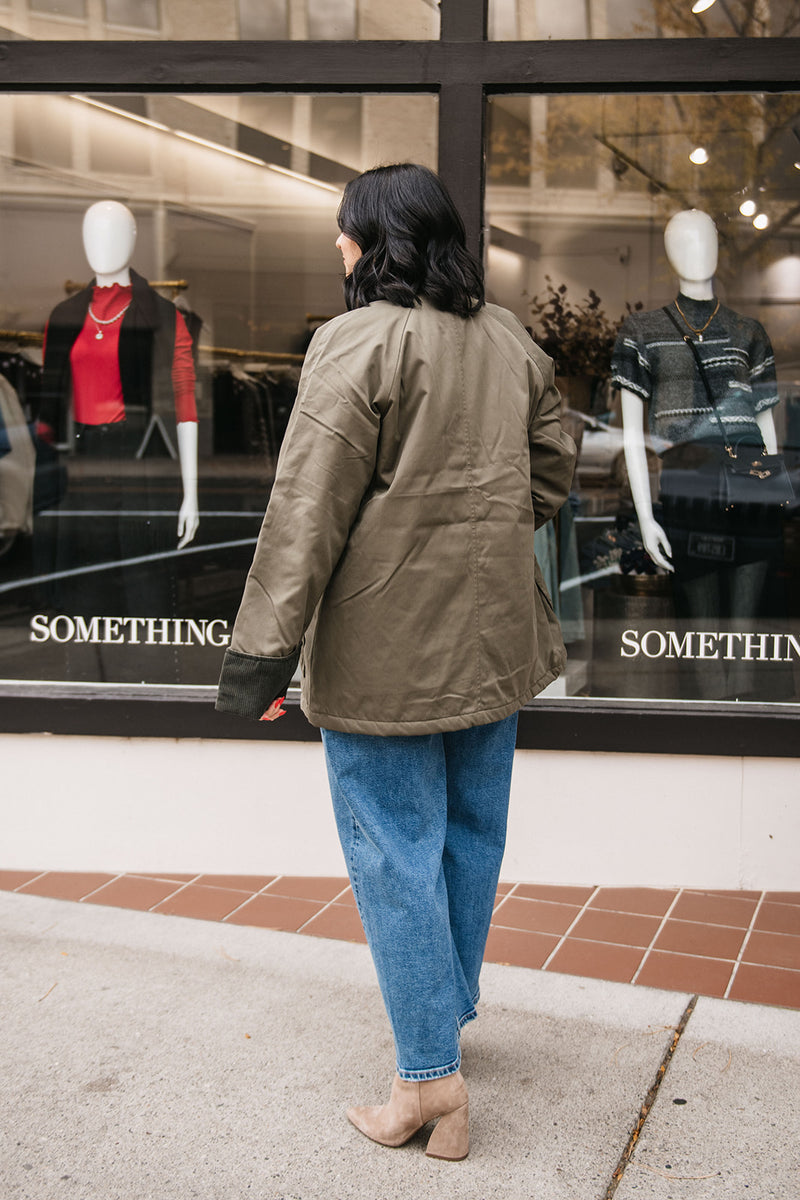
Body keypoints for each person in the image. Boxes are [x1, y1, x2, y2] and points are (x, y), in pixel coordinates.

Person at [216, 163, 576, 1160]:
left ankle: (428, 1081)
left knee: (392, 851)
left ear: (374, 241)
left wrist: (258, 663)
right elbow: (552, 466)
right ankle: (441, 1024)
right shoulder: (507, 338)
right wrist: (484, 528)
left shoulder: (354, 342)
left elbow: (304, 513)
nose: (337, 248)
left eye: (344, 232)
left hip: (383, 654)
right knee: (468, 836)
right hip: (494, 637)